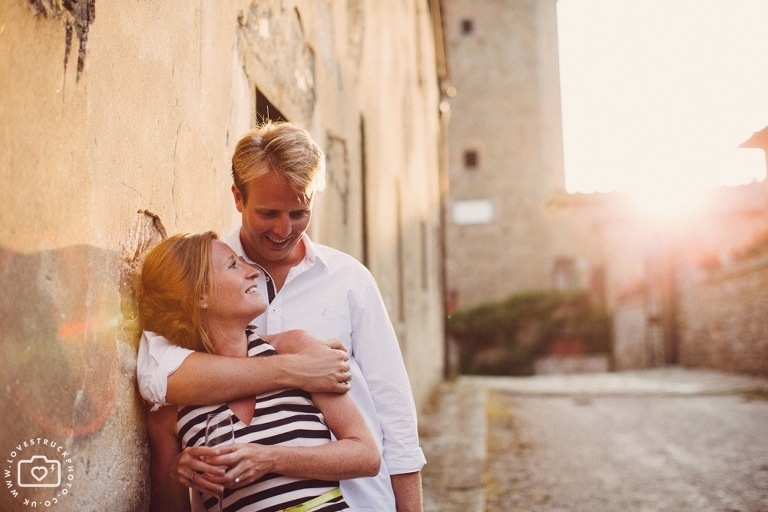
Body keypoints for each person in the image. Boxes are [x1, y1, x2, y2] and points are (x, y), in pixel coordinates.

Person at [137, 120, 426, 511]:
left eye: (299, 212)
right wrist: (295, 369)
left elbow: (396, 417)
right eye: (269, 212)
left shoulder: (349, 280)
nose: (283, 229)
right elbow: (158, 376)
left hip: (362, 501)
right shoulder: (203, 273)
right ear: (238, 197)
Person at [139, 231, 380, 511]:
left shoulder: (298, 350)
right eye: (233, 265)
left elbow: (366, 455)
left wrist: (269, 458)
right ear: (198, 295)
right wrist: (176, 474)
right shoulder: (170, 410)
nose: (253, 272)